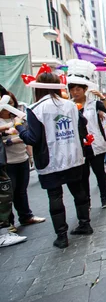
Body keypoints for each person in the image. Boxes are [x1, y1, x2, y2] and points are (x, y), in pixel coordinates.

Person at [15, 72, 93, 249]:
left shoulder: (35, 109)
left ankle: (62, 236)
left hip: (50, 161)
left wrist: (19, 127)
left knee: (55, 196)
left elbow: (32, 138)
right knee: (78, 192)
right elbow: (82, 126)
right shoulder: (71, 105)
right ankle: (85, 224)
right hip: (73, 156)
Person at [67, 59, 106, 209]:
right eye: (72, 89)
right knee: (83, 176)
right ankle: (86, 201)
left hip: (96, 144)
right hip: (78, 146)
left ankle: (104, 197)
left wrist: (102, 96)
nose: (75, 92)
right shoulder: (68, 106)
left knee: (99, 172)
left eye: (78, 89)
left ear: (84, 89)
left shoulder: (94, 104)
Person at [0, 91, 45, 232]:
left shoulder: (19, 118)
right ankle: (8, 223)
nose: (9, 108)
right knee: (8, 193)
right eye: (6, 105)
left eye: (11, 103)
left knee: (21, 190)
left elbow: (29, 137)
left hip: (22, 158)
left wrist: (30, 156)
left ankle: (26, 216)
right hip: (7, 161)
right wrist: (9, 136)